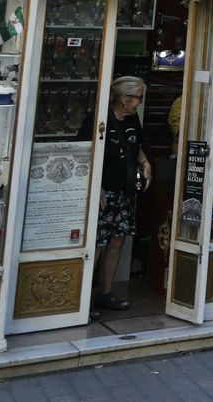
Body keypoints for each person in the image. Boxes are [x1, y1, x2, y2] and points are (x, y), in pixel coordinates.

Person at [93, 75, 150, 312]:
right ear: (124, 98)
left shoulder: (133, 119)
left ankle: (105, 292)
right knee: (96, 242)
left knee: (117, 239)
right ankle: (83, 296)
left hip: (124, 191)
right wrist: (96, 187)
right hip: (104, 191)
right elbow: (87, 153)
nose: (140, 102)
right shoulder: (100, 119)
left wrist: (145, 162)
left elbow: (136, 146)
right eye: (139, 98)